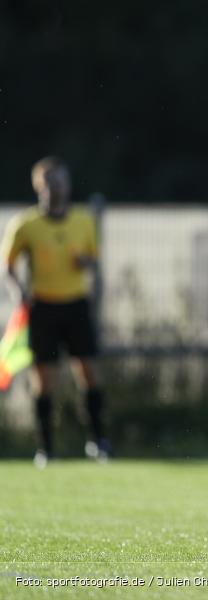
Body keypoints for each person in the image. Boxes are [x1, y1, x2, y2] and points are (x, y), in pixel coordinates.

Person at [1, 156, 110, 467]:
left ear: (68, 184)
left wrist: (88, 267)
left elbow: (95, 260)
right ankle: (45, 449)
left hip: (75, 304)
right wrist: (17, 290)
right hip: (43, 306)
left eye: (59, 180)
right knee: (44, 379)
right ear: (38, 186)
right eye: (48, 181)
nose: (55, 186)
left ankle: (98, 442)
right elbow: (7, 265)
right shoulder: (26, 225)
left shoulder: (83, 221)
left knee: (89, 372)